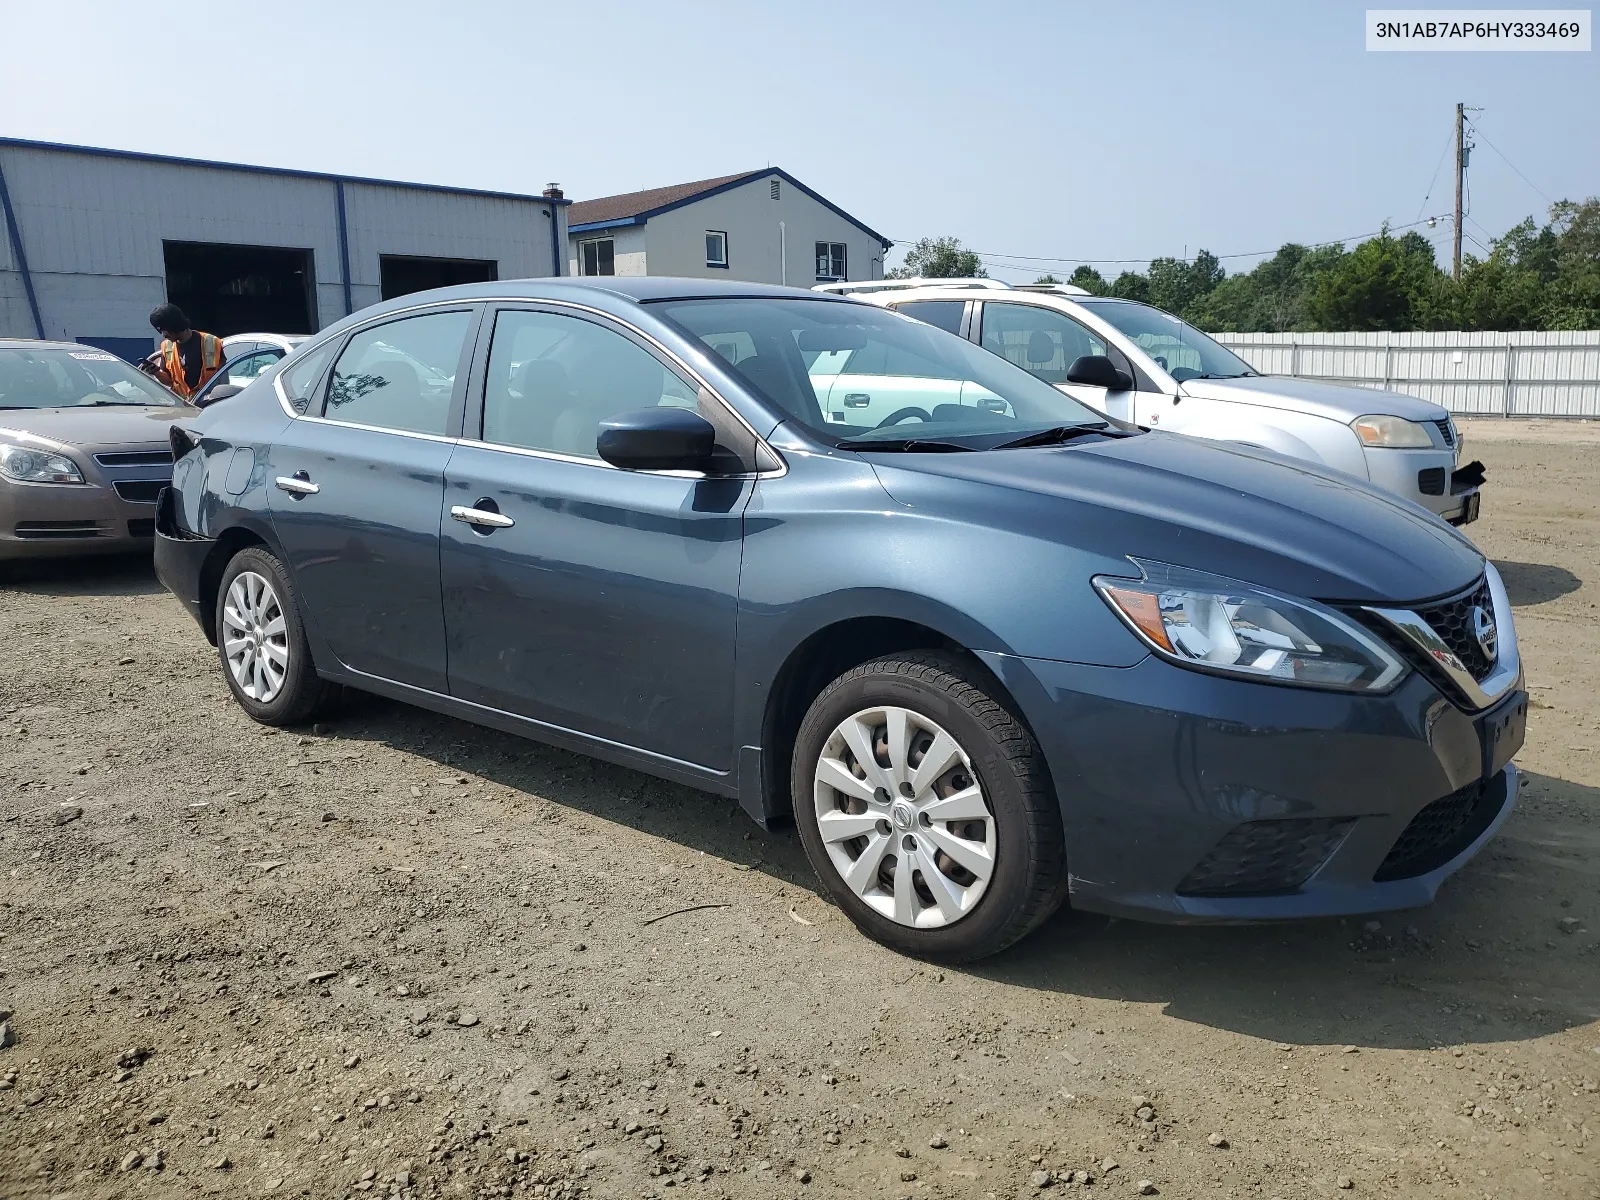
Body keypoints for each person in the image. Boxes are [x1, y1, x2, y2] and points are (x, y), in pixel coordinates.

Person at [142, 304, 224, 400]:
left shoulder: (211, 342)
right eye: (160, 330)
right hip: (183, 408)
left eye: (165, 329)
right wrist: (156, 372)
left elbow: (223, 380)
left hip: (209, 405)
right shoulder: (166, 347)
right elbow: (169, 381)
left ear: (175, 324)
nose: (163, 334)